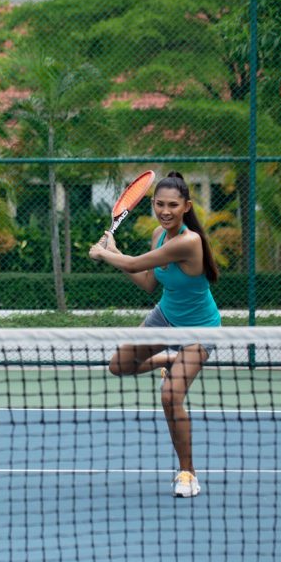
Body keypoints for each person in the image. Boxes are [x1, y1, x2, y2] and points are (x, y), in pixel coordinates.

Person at [88, 171, 220, 498]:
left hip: (199, 331)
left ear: (186, 206)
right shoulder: (159, 236)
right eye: (159, 204)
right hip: (164, 318)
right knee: (119, 365)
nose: (165, 211)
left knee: (169, 395)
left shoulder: (189, 242)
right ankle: (172, 357)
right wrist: (116, 253)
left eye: (173, 205)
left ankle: (187, 473)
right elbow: (147, 282)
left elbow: (133, 265)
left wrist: (106, 253)